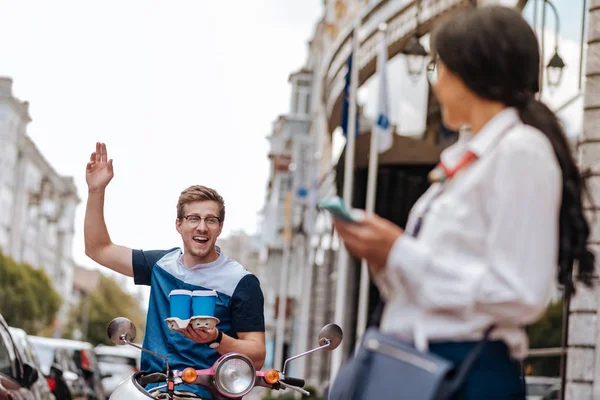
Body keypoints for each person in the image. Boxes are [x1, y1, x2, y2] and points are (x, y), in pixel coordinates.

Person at [333, 6, 595, 399]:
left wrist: (397, 250)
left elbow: (520, 292)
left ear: (469, 71)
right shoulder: (467, 161)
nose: (435, 84)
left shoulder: (521, 151)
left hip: (466, 371)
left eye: (440, 68)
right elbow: (429, 283)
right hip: (423, 363)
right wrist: (381, 255)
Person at [84, 142, 266, 399]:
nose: (202, 227)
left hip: (205, 392)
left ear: (220, 227)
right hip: (150, 391)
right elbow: (98, 249)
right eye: (193, 218)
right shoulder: (161, 265)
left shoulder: (240, 282)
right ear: (179, 224)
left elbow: (257, 355)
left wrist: (215, 339)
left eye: (210, 219)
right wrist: (96, 190)